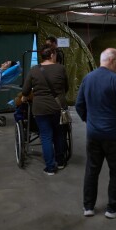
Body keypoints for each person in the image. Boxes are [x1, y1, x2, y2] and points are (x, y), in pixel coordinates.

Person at [75, 48, 116, 219]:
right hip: (115, 136)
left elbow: (79, 105)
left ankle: (88, 206)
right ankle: (113, 208)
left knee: (92, 170)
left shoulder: (88, 78)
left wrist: (89, 121)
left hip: (93, 135)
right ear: (111, 60)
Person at [21, 46, 69, 174]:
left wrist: (24, 98)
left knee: (46, 136)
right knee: (59, 135)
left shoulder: (33, 70)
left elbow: (25, 91)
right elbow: (66, 87)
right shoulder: (61, 68)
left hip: (40, 109)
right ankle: (60, 162)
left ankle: (50, 167)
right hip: (58, 108)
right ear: (52, 54)